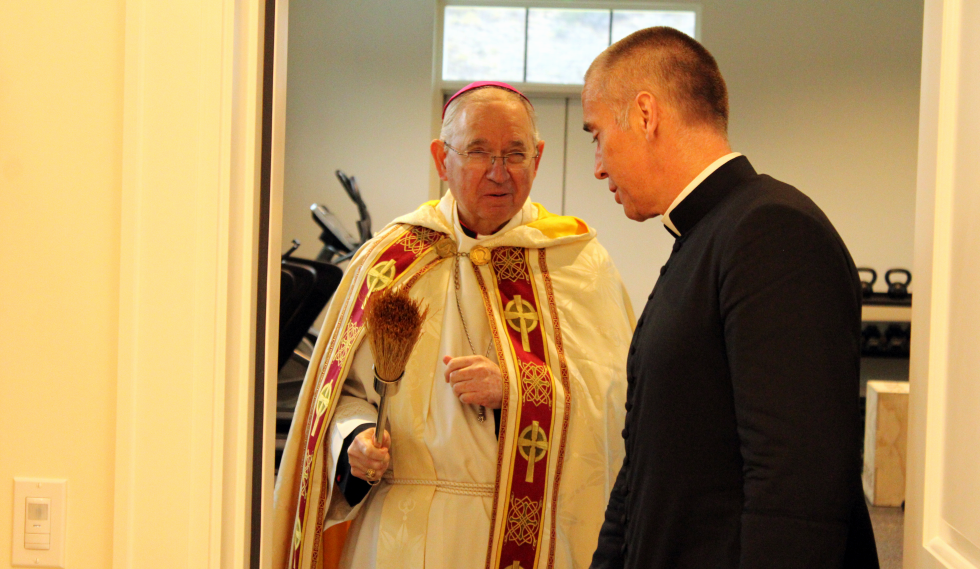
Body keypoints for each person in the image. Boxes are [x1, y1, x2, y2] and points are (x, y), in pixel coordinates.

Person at [274, 81, 635, 569]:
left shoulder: (577, 263)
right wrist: (354, 439)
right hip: (396, 531)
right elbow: (338, 396)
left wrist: (518, 388)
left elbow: (617, 403)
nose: (498, 172)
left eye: (515, 154)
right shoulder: (388, 261)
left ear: (539, 157)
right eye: (478, 152)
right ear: (441, 160)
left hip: (520, 531)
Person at [581, 28, 880, 568]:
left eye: (597, 134)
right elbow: (646, 463)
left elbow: (796, 490)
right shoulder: (707, 235)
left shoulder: (770, 229)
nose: (598, 164)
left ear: (646, 115)